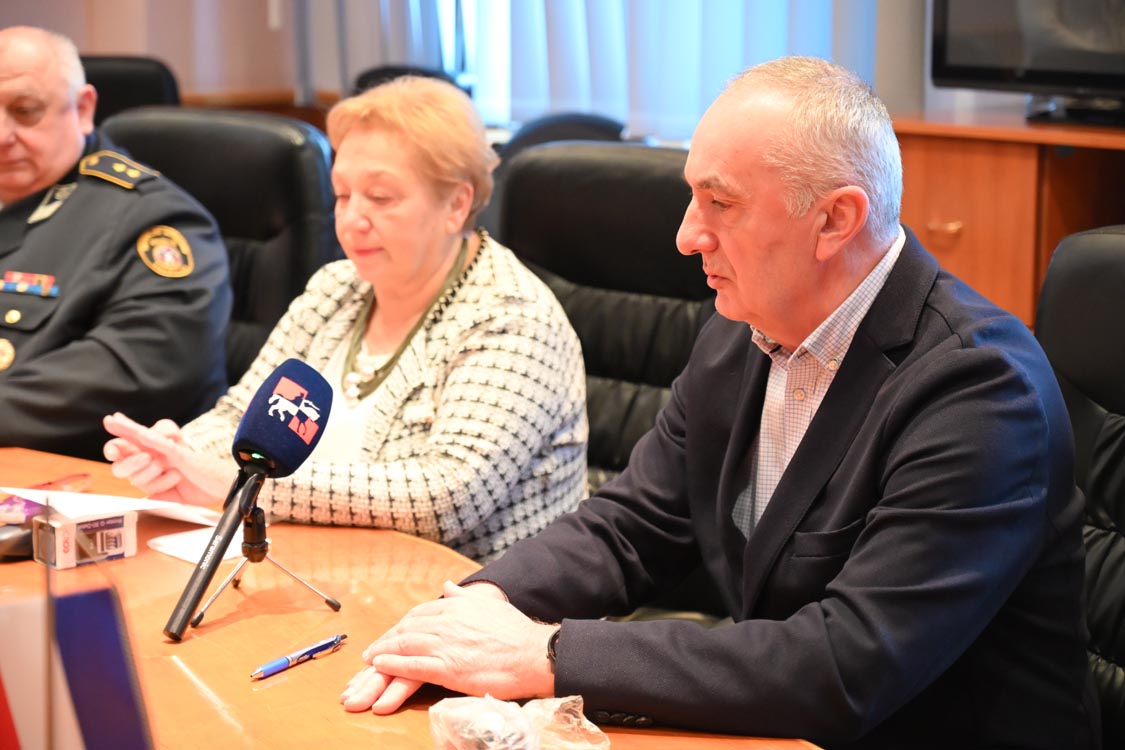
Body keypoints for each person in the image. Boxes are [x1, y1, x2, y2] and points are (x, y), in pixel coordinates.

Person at [339, 57, 1100, 749]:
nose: (685, 235)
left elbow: (846, 662)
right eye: (691, 197)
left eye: (719, 203)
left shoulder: (979, 391)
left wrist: (545, 652)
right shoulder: (741, 331)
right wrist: (466, 611)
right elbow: (632, 525)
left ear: (834, 219)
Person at [102, 76, 588, 564]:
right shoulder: (336, 287)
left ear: (456, 204)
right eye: (341, 195)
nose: (352, 220)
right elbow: (240, 417)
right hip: (325, 567)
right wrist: (178, 452)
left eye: (380, 198)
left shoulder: (511, 316)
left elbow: (446, 497)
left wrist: (244, 482)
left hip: (469, 593)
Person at [0, 26, 230, 460]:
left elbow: (136, 371)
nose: (1, 134)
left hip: (87, 474)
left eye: (25, 111)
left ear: (83, 108)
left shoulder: (153, 219)